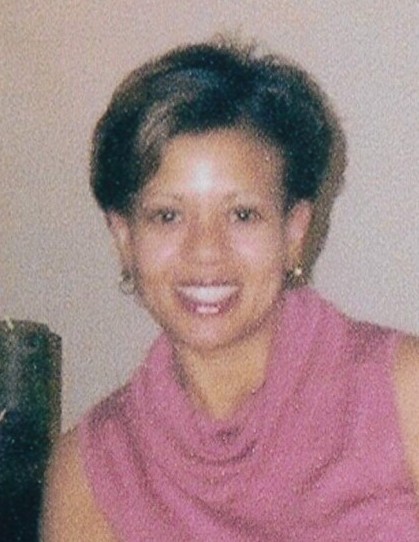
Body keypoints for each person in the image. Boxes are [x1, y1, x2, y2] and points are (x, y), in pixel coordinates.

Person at [42, 38, 419, 541]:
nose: (205, 251)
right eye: (168, 216)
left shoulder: (404, 394)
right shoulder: (90, 471)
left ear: (294, 231)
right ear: (124, 237)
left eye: (242, 214)